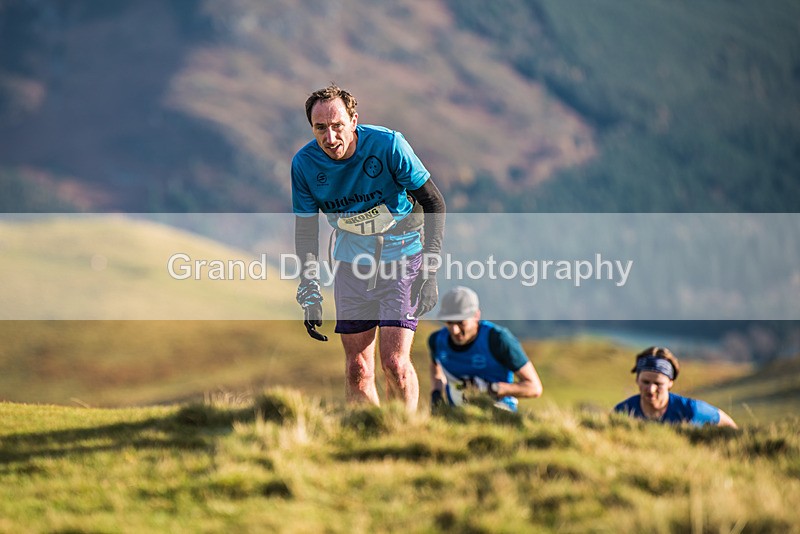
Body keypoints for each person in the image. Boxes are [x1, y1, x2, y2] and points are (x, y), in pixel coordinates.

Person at [292, 83, 445, 411]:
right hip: (351, 260)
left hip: (402, 254)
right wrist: (309, 290)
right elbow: (306, 231)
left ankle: (405, 435)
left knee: (394, 363)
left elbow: (434, 202)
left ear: (354, 121)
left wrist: (430, 272)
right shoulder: (304, 165)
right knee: (357, 369)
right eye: (320, 129)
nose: (330, 138)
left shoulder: (389, 145)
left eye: (337, 127)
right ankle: (371, 434)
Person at [428, 286, 543, 412]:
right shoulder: (437, 341)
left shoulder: (498, 339)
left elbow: (534, 388)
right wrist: (436, 393)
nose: (455, 330)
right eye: (449, 322)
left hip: (499, 414)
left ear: (476, 315)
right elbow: (436, 368)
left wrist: (493, 389)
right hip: (456, 416)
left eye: (461, 322)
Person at [613, 346, 738, 428]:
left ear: (670, 383)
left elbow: (729, 425)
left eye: (658, 384)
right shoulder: (623, 411)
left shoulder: (690, 409)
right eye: (645, 382)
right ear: (637, 380)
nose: (651, 389)